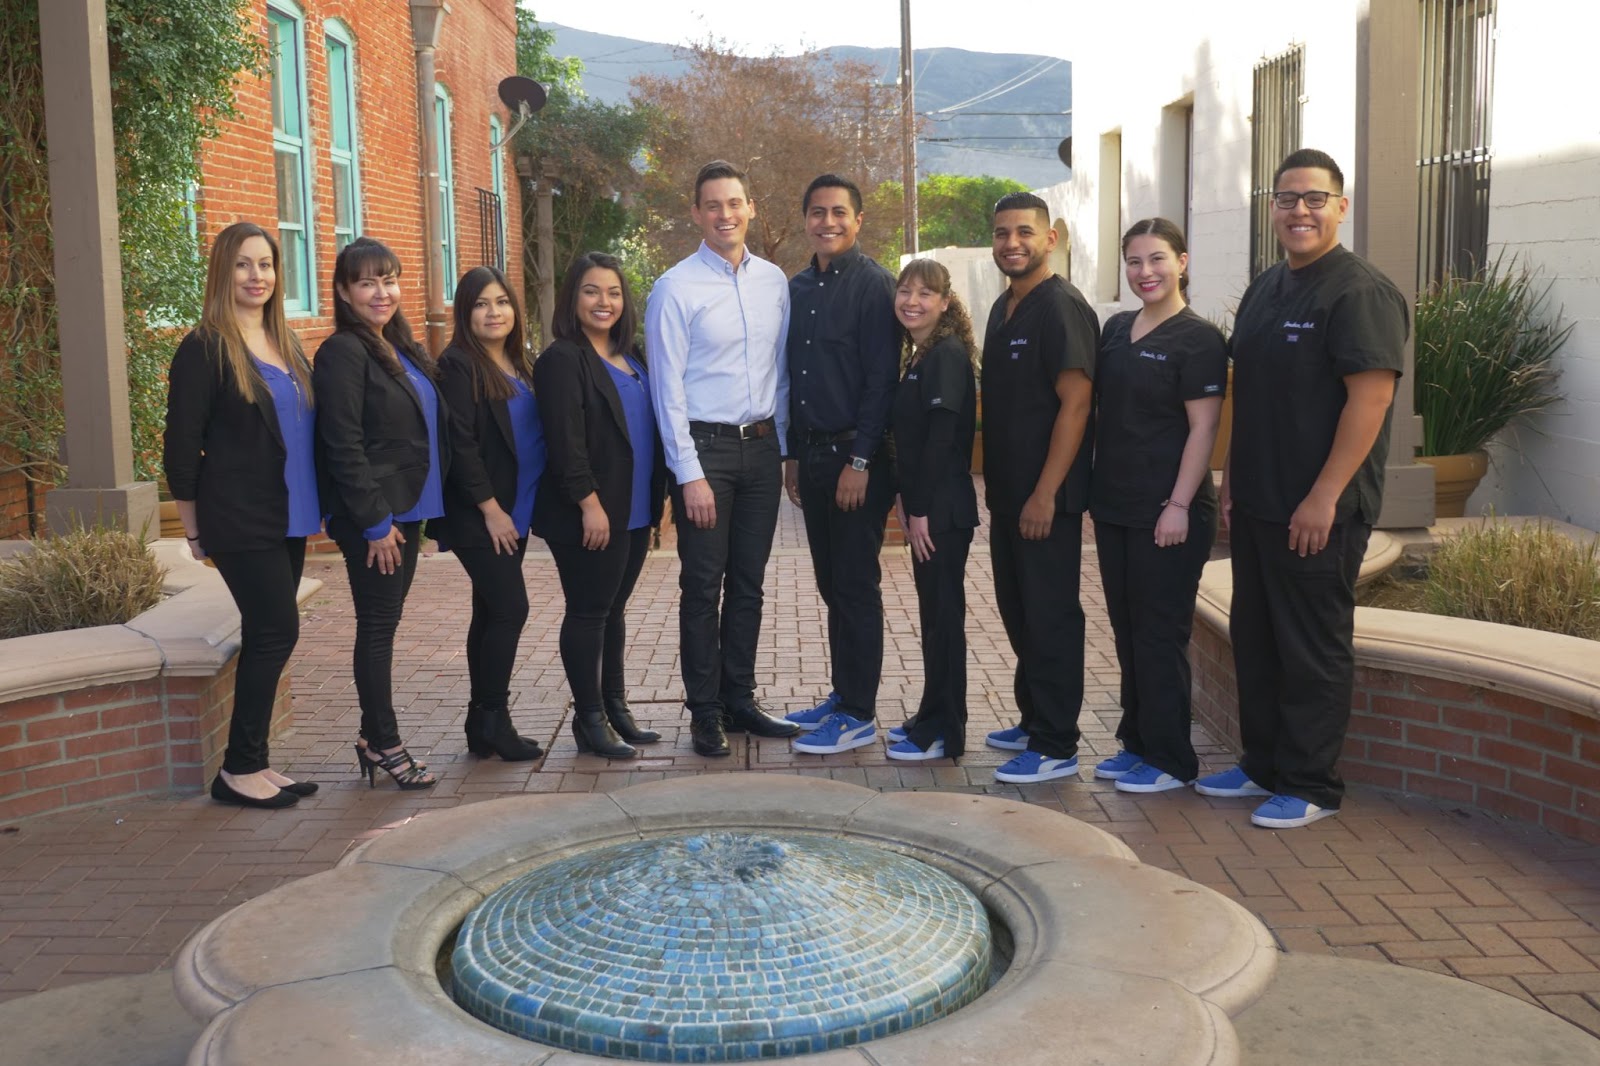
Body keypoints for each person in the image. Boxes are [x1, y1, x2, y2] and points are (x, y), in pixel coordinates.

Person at [1199, 148, 1406, 829]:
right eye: (1288, 199)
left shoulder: (1358, 292)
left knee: (1311, 645)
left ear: (1341, 207)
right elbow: (1248, 394)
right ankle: (1264, 765)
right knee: (1256, 637)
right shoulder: (1267, 288)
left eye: (1315, 199)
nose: (1301, 211)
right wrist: (1232, 480)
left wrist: (1323, 496)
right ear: (1273, 209)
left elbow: (1369, 403)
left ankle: (1311, 784)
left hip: (1320, 509)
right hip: (1259, 500)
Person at [644, 159, 800, 757]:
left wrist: (784, 451)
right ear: (696, 214)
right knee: (702, 586)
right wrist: (689, 474)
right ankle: (704, 711)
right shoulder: (674, 288)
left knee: (751, 586)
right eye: (712, 205)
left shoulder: (774, 282)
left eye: (734, 203)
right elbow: (668, 390)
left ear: (750, 207)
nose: (724, 214)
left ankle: (740, 700)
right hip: (705, 451)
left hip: (762, 449)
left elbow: (779, 373)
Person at [163, 221, 319, 810]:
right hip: (238, 516)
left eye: (267, 264)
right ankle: (238, 770)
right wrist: (194, 528)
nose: (258, 276)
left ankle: (252, 762)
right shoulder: (205, 346)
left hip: (287, 513)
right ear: (223, 272)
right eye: (243, 265)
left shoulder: (287, 342)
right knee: (277, 630)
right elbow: (181, 447)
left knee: (269, 634)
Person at [1089, 219, 1227, 794]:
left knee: (1159, 632)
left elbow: (1204, 428)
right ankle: (1138, 741)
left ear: (1183, 262)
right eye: (1134, 261)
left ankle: (1171, 759)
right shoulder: (1117, 329)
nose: (1145, 272)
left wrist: (1178, 503)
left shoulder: (1199, 339)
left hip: (1169, 512)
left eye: (1157, 259)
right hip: (1116, 506)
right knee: (1125, 629)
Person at [314, 236, 446, 790]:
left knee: (383, 625)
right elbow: (342, 440)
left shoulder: (398, 344)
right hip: (377, 521)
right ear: (345, 291)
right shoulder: (343, 352)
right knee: (377, 628)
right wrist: (374, 522)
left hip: (404, 511)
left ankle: (374, 739)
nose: (381, 292)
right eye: (367, 281)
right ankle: (386, 742)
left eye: (389, 279)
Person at [980, 191, 1100, 785]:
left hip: (1045, 500)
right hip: (1009, 496)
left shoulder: (1061, 308)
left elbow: (1076, 405)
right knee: (1019, 609)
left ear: (1050, 239)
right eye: (1002, 233)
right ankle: (1034, 720)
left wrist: (1046, 493)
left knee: (1050, 615)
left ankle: (1055, 742)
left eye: (1024, 232)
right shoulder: (1003, 307)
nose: (1012, 243)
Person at [781, 174, 900, 756]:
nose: (827, 222)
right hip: (814, 455)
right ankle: (842, 694)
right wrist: (794, 456)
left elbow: (882, 381)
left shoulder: (877, 286)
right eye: (817, 212)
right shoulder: (797, 286)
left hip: (858, 457)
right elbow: (793, 379)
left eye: (838, 213)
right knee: (833, 583)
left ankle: (858, 713)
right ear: (805, 218)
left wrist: (861, 459)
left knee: (855, 584)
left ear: (858, 220)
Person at [533, 252, 667, 759]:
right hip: (591, 512)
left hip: (632, 508)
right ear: (573, 298)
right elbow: (565, 441)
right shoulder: (562, 360)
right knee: (589, 611)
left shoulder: (632, 357)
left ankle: (615, 708)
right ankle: (589, 720)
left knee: (613, 610)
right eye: (591, 291)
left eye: (612, 292)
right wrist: (588, 503)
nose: (603, 302)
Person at [433, 266, 546, 762]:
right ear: (465, 312)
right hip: (483, 514)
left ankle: (481, 724)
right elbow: (459, 444)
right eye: (481, 304)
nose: (493, 312)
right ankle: (495, 720)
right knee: (509, 609)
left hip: (516, 509)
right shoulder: (458, 365)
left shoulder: (522, 364)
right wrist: (491, 509)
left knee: (489, 611)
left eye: (501, 302)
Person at [882, 259, 980, 762]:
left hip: (942, 511)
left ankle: (946, 732)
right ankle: (931, 713)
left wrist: (917, 509)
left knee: (944, 619)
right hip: (928, 507)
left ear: (945, 302)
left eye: (925, 292)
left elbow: (942, 441)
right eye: (905, 290)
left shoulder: (945, 355)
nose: (912, 300)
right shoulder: (920, 354)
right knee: (934, 618)